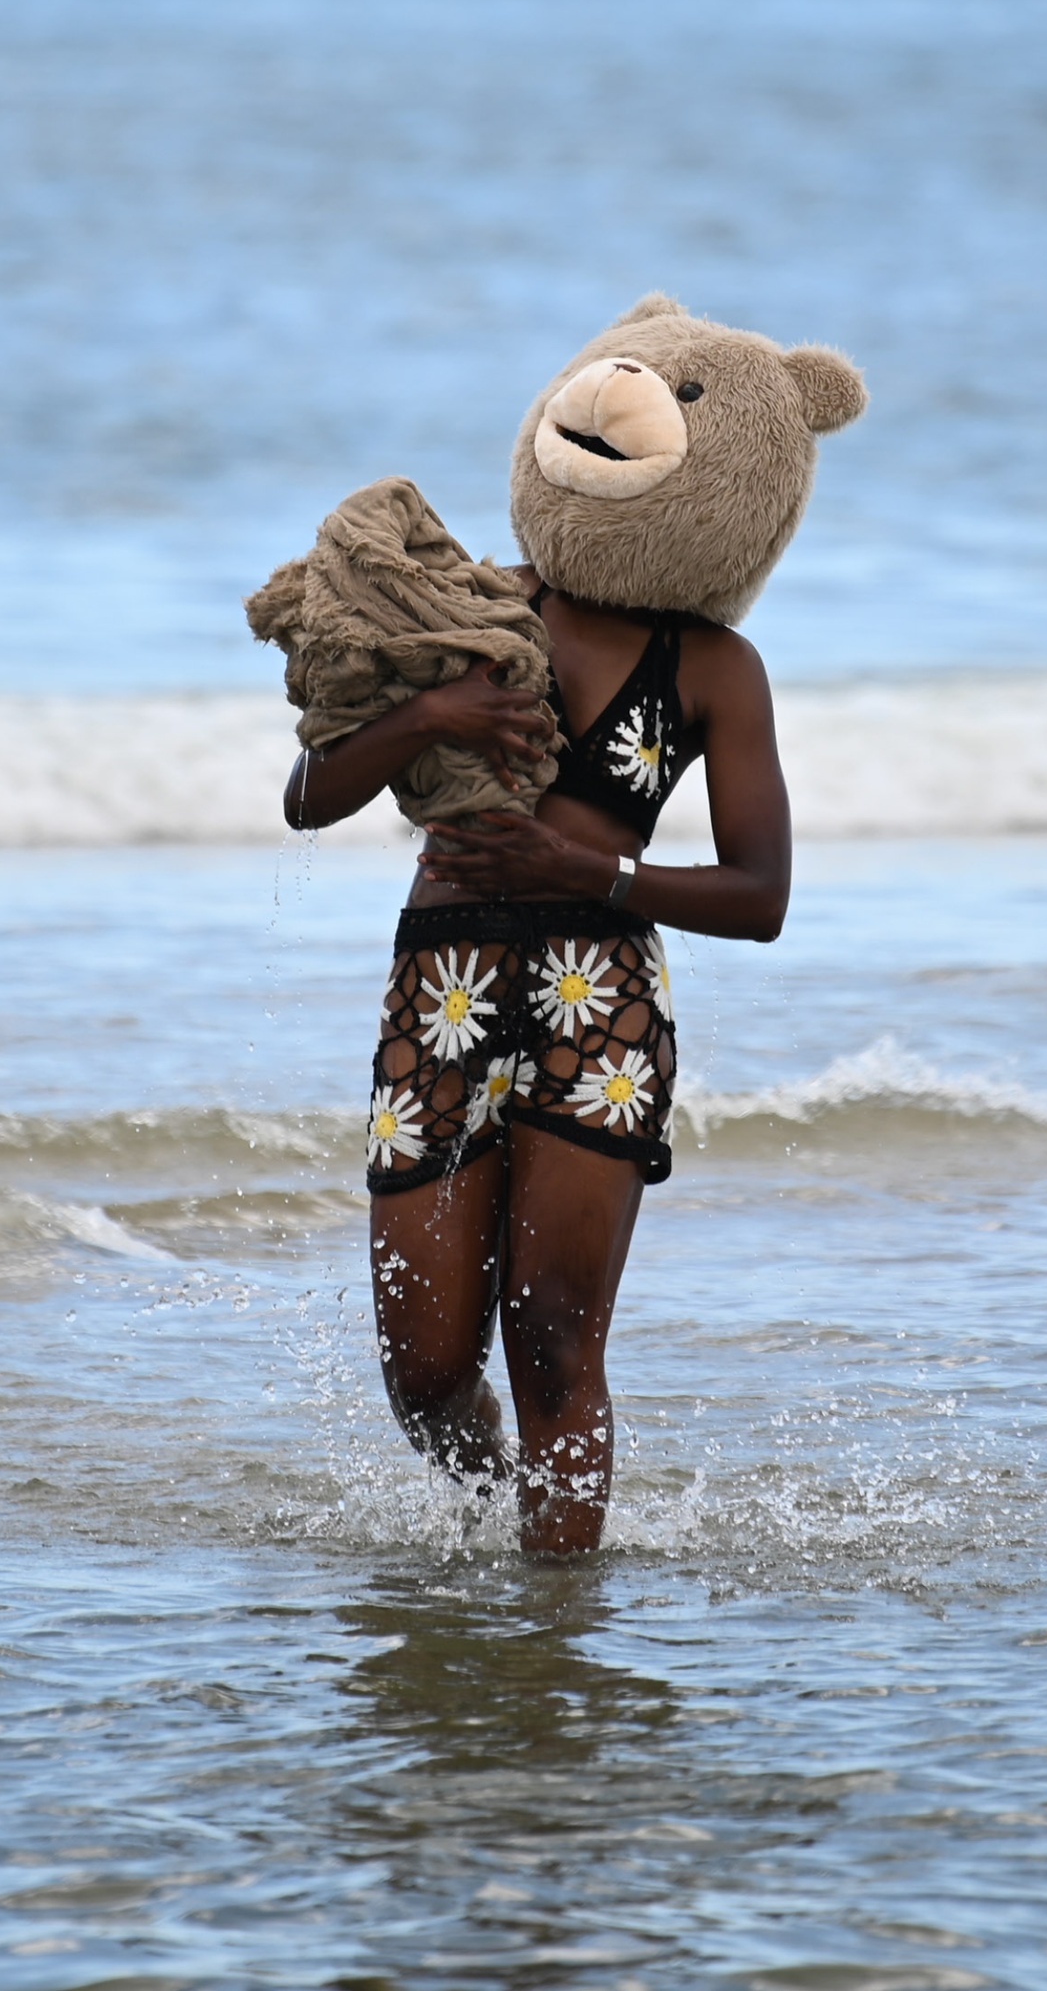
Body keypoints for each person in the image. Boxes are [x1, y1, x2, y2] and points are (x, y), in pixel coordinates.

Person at [282, 580, 790, 1555]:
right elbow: (309, 795)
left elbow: (760, 894)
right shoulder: (466, 613)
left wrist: (587, 870)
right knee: (423, 1377)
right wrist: (431, 712)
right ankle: (493, 1511)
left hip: (597, 999)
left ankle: (550, 1628)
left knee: (553, 1340)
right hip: (443, 985)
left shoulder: (712, 664)